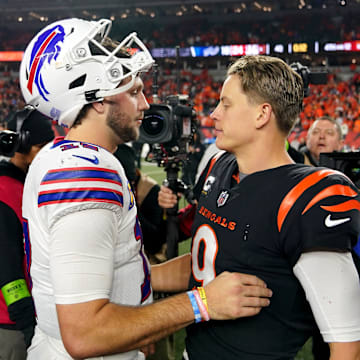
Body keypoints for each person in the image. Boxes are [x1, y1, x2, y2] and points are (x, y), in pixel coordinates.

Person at [19, 18, 272, 360]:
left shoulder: (60, 157)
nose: (145, 105)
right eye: (134, 91)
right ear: (97, 99)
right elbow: (85, 334)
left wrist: (209, 267)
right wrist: (204, 303)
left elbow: (119, 273)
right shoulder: (84, 175)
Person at [159, 55, 360, 359]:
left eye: (226, 104)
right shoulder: (220, 164)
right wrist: (143, 275)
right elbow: (213, 263)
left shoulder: (310, 195)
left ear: (262, 114)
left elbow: (345, 344)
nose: (214, 114)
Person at [0, 106, 54, 360]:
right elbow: (7, 268)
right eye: (44, 146)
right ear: (26, 147)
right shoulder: (6, 193)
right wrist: (25, 321)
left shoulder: (17, 185)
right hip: (11, 325)